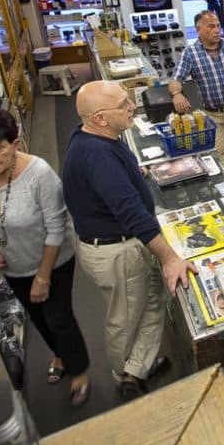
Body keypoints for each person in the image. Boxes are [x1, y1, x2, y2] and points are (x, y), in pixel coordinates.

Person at [63, 81, 196, 399]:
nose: (133, 107)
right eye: (124, 104)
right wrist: (169, 258)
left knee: (150, 303)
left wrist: (131, 174)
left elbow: (106, 183)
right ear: (100, 118)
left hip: (120, 245)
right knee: (124, 318)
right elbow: (132, 214)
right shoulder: (99, 156)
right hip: (116, 251)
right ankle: (124, 374)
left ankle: (139, 367)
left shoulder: (93, 137)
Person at [0, 109, 91, 407]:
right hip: (13, 264)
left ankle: (79, 372)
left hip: (53, 261)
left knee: (59, 317)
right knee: (36, 316)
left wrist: (43, 276)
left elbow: (56, 227)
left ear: (15, 143)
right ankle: (59, 353)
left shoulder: (39, 174)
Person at [168, 10, 224, 192]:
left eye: (218, 25)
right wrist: (176, 94)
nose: (217, 30)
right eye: (211, 26)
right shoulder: (190, 53)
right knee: (222, 154)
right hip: (212, 114)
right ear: (199, 29)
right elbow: (175, 79)